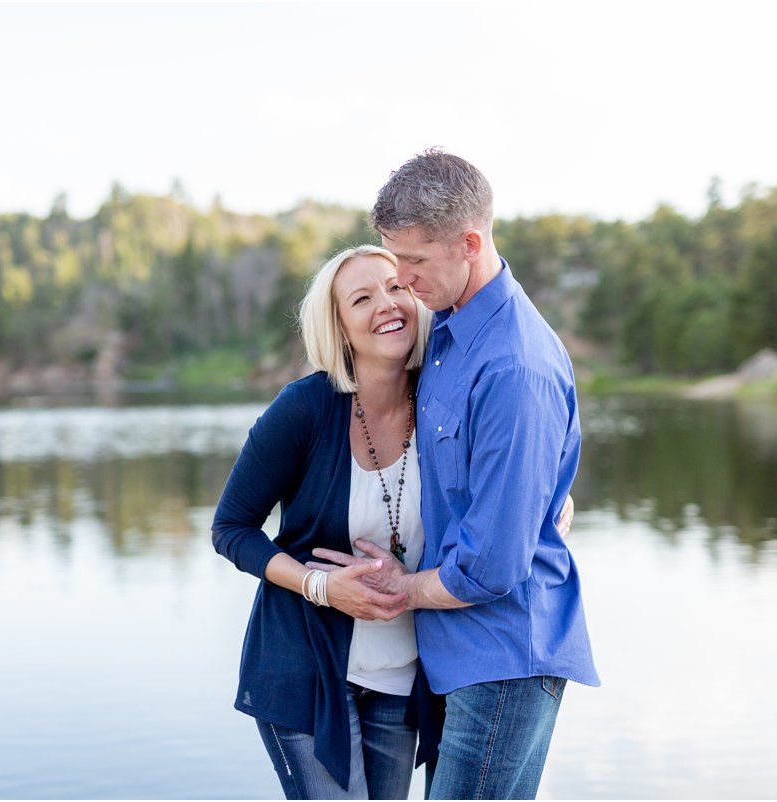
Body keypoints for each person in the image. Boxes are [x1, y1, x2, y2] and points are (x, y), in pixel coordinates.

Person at [322, 148, 600, 800]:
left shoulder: (512, 366)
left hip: (501, 657)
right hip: (453, 655)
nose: (404, 280)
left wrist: (398, 588)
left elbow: (493, 567)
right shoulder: (448, 331)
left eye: (415, 262)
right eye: (397, 261)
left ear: (469, 244)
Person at [212, 245, 440, 799]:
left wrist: (556, 500)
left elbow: (512, 461)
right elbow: (231, 528)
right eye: (361, 298)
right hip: (304, 675)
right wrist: (319, 586)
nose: (386, 304)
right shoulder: (305, 408)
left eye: (395, 287)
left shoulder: (443, 398)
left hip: (400, 680)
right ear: (339, 328)